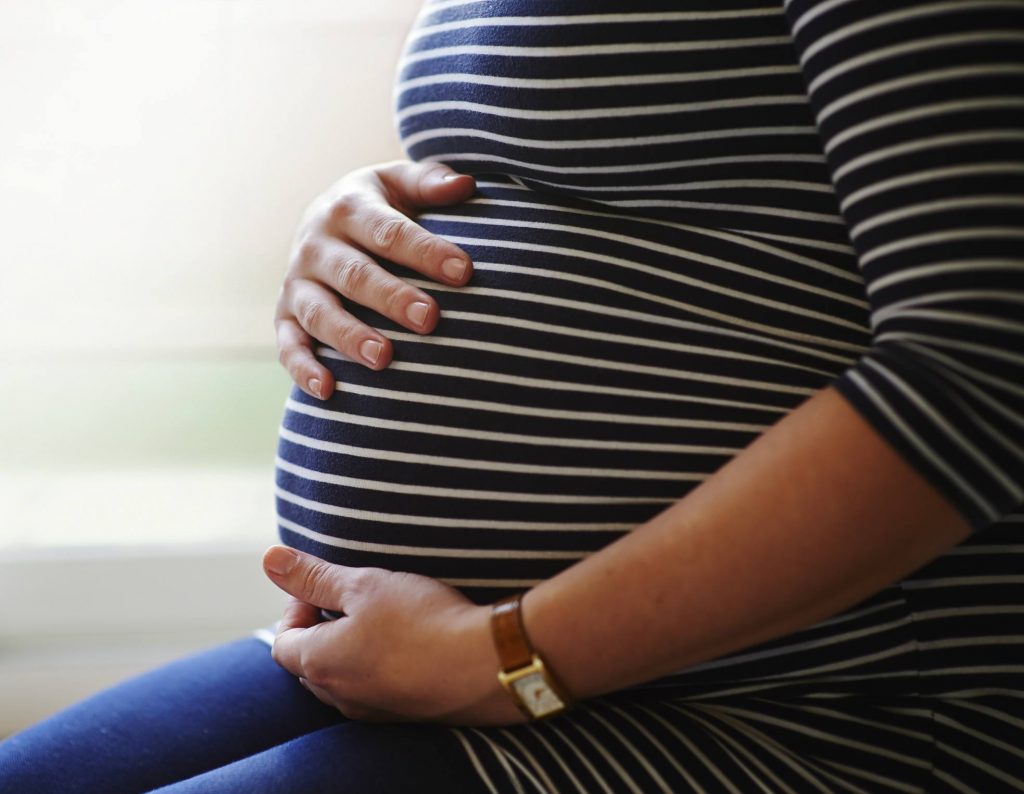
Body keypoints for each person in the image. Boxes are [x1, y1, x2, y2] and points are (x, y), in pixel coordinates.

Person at [3, 0, 1023, 791]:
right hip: (470, 660)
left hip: (812, 706)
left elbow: (980, 365)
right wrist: (360, 220)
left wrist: (507, 658)